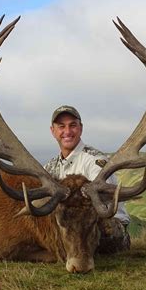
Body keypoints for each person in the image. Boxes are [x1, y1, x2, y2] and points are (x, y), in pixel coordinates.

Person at [44, 105, 131, 253]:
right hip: (73, 226)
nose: (67, 132)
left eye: (73, 125)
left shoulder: (95, 161)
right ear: (53, 131)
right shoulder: (49, 167)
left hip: (107, 226)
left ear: (81, 128)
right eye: (61, 126)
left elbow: (101, 207)